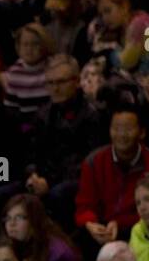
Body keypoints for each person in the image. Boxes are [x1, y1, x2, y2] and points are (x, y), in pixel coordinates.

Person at [24, 55, 105, 230]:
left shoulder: (92, 115)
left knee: (58, 194)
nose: (55, 88)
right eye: (50, 83)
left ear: (76, 82)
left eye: (61, 82)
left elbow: (88, 161)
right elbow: (31, 153)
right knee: (4, 193)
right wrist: (33, 176)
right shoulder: (42, 115)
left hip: (78, 181)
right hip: (45, 179)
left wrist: (50, 182)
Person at [74, 105, 149, 261]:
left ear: (142, 132)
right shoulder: (93, 162)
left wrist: (119, 224)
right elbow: (84, 205)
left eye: (128, 129)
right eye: (116, 128)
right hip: (101, 229)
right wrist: (91, 223)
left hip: (139, 227)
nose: (121, 135)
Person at [87, 0, 149, 108]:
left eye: (108, 11)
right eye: (102, 14)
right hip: (142, 80)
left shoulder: (140, 23)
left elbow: (128, 61)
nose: (105, 18)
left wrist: (109, 55)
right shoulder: (124, 28)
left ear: (124, 7)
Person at [3, 22, 53, 116]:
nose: (29, 49)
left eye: (35, 44)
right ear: (18, 47)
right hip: (25, 125)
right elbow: (11, 109)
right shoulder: (14, 73)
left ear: (44, 45)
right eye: (25, 44)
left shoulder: (54, 67)